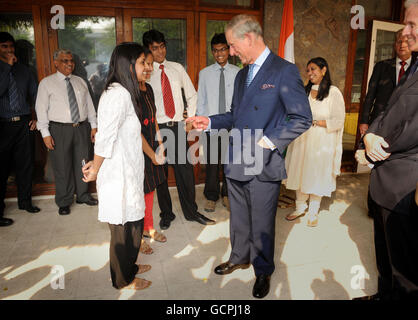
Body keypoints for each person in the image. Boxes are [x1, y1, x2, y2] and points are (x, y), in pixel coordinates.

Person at [187, 14, 312, 298]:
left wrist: (269, 142)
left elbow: (302, 118)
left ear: (249, 38)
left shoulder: (284, 70)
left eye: (232, 46)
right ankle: (239, 256)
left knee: (263, 221)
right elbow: (235, 115)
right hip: (236, 157)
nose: (230, 52)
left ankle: (263, 269)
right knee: (239, 215)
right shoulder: (243, 74)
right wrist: (208, 121)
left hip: (263, 161)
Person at [353, 0, 418, 300]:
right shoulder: (414, 65)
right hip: (385, 180)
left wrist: (370, 151)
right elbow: (387, 108)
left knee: (405, 269)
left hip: (405, 185)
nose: (404, 32)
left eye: (412, 25)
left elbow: (412, 127)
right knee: (385, 257)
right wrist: (369, 137)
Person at [82, 42, 151, 290]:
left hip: (129, 172)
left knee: (134, 225)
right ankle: (123, 280)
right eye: (143, 62)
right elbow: (105, 137)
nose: (147, 67)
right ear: (129, 65)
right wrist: (95, 168)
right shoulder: (116, 94)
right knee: (123, 232)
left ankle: (130, 266)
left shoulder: (125, 92)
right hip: (117, 175)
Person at [143, 29, 215, 229]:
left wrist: (190, 118)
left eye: (162, 46)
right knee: (161, 176)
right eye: (155, 48)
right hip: (156, 131)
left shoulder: (176, 68)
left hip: (177, 128)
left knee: (185, 173)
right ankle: (166, 214)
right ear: (148, 49)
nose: (160, 52)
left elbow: (192, 95)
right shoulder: (146, 72)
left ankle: (191, 212)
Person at [35, 49, 98, 215]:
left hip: (82, 128)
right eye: (64, 61)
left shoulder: (80, 82)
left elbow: (89, 106)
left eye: (71, 61)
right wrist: (45, 134)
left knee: (83, 162)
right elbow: (40, 110)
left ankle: (83, 195)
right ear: (56, 63)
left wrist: (93, 125)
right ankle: (64, 200)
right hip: (59, 129)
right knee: (62, 166)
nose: (69, 64)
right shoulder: (46, 83)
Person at [283, 57, 345, 227]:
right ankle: (300, 207)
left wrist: (315, 122)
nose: (310, 73)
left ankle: (313, 211)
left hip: (321, 141)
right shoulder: (304, 92)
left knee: (316, 173)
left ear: (324, 70)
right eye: (308, 70)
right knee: (301, 172)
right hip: (302, 139)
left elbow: (338, 120)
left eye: (313, 69)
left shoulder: (333, 92)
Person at [0, 32, 40, 227]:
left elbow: (35, 96)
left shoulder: (24, 70)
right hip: (3, 124)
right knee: (2, 167)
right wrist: (7, 67)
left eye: (11, 47)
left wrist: (35, 117)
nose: (9, 50)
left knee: (25, 164)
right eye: (4, 47)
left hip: (24, 122)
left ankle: (25, 202)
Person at [197, 33, 240, 213]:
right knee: (213, 164)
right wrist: (201, 124)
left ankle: (227, 195)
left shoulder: (238, 72)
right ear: (212, 52)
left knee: (230, 163)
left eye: (222, 49)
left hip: (233, 126)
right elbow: (201, 100)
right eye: (215, 50)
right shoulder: (205, 74)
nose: (219, 53)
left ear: (229, 51)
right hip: (212, 126)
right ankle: (211, 196)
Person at [139, 48, 167, 255]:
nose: (149, 68)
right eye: (145, 64)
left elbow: (154, 119)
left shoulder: (147, 89)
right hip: (135, 148)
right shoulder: (128, 93)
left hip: (151, 145)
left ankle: (149, 227)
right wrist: (152, 154)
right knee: (136, 194)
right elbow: (133, 131)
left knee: (149, 188)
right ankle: (137, 235)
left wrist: (160, 144)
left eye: (151, 64)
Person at [359, 29, 413, 136]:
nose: (402, 45)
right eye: (399, 42)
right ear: (394, 45)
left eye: (407, 42)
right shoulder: (381, 66)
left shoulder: (415, 69)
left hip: (407, 125)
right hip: (380, 121)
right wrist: (364, 121)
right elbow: (370, 95)